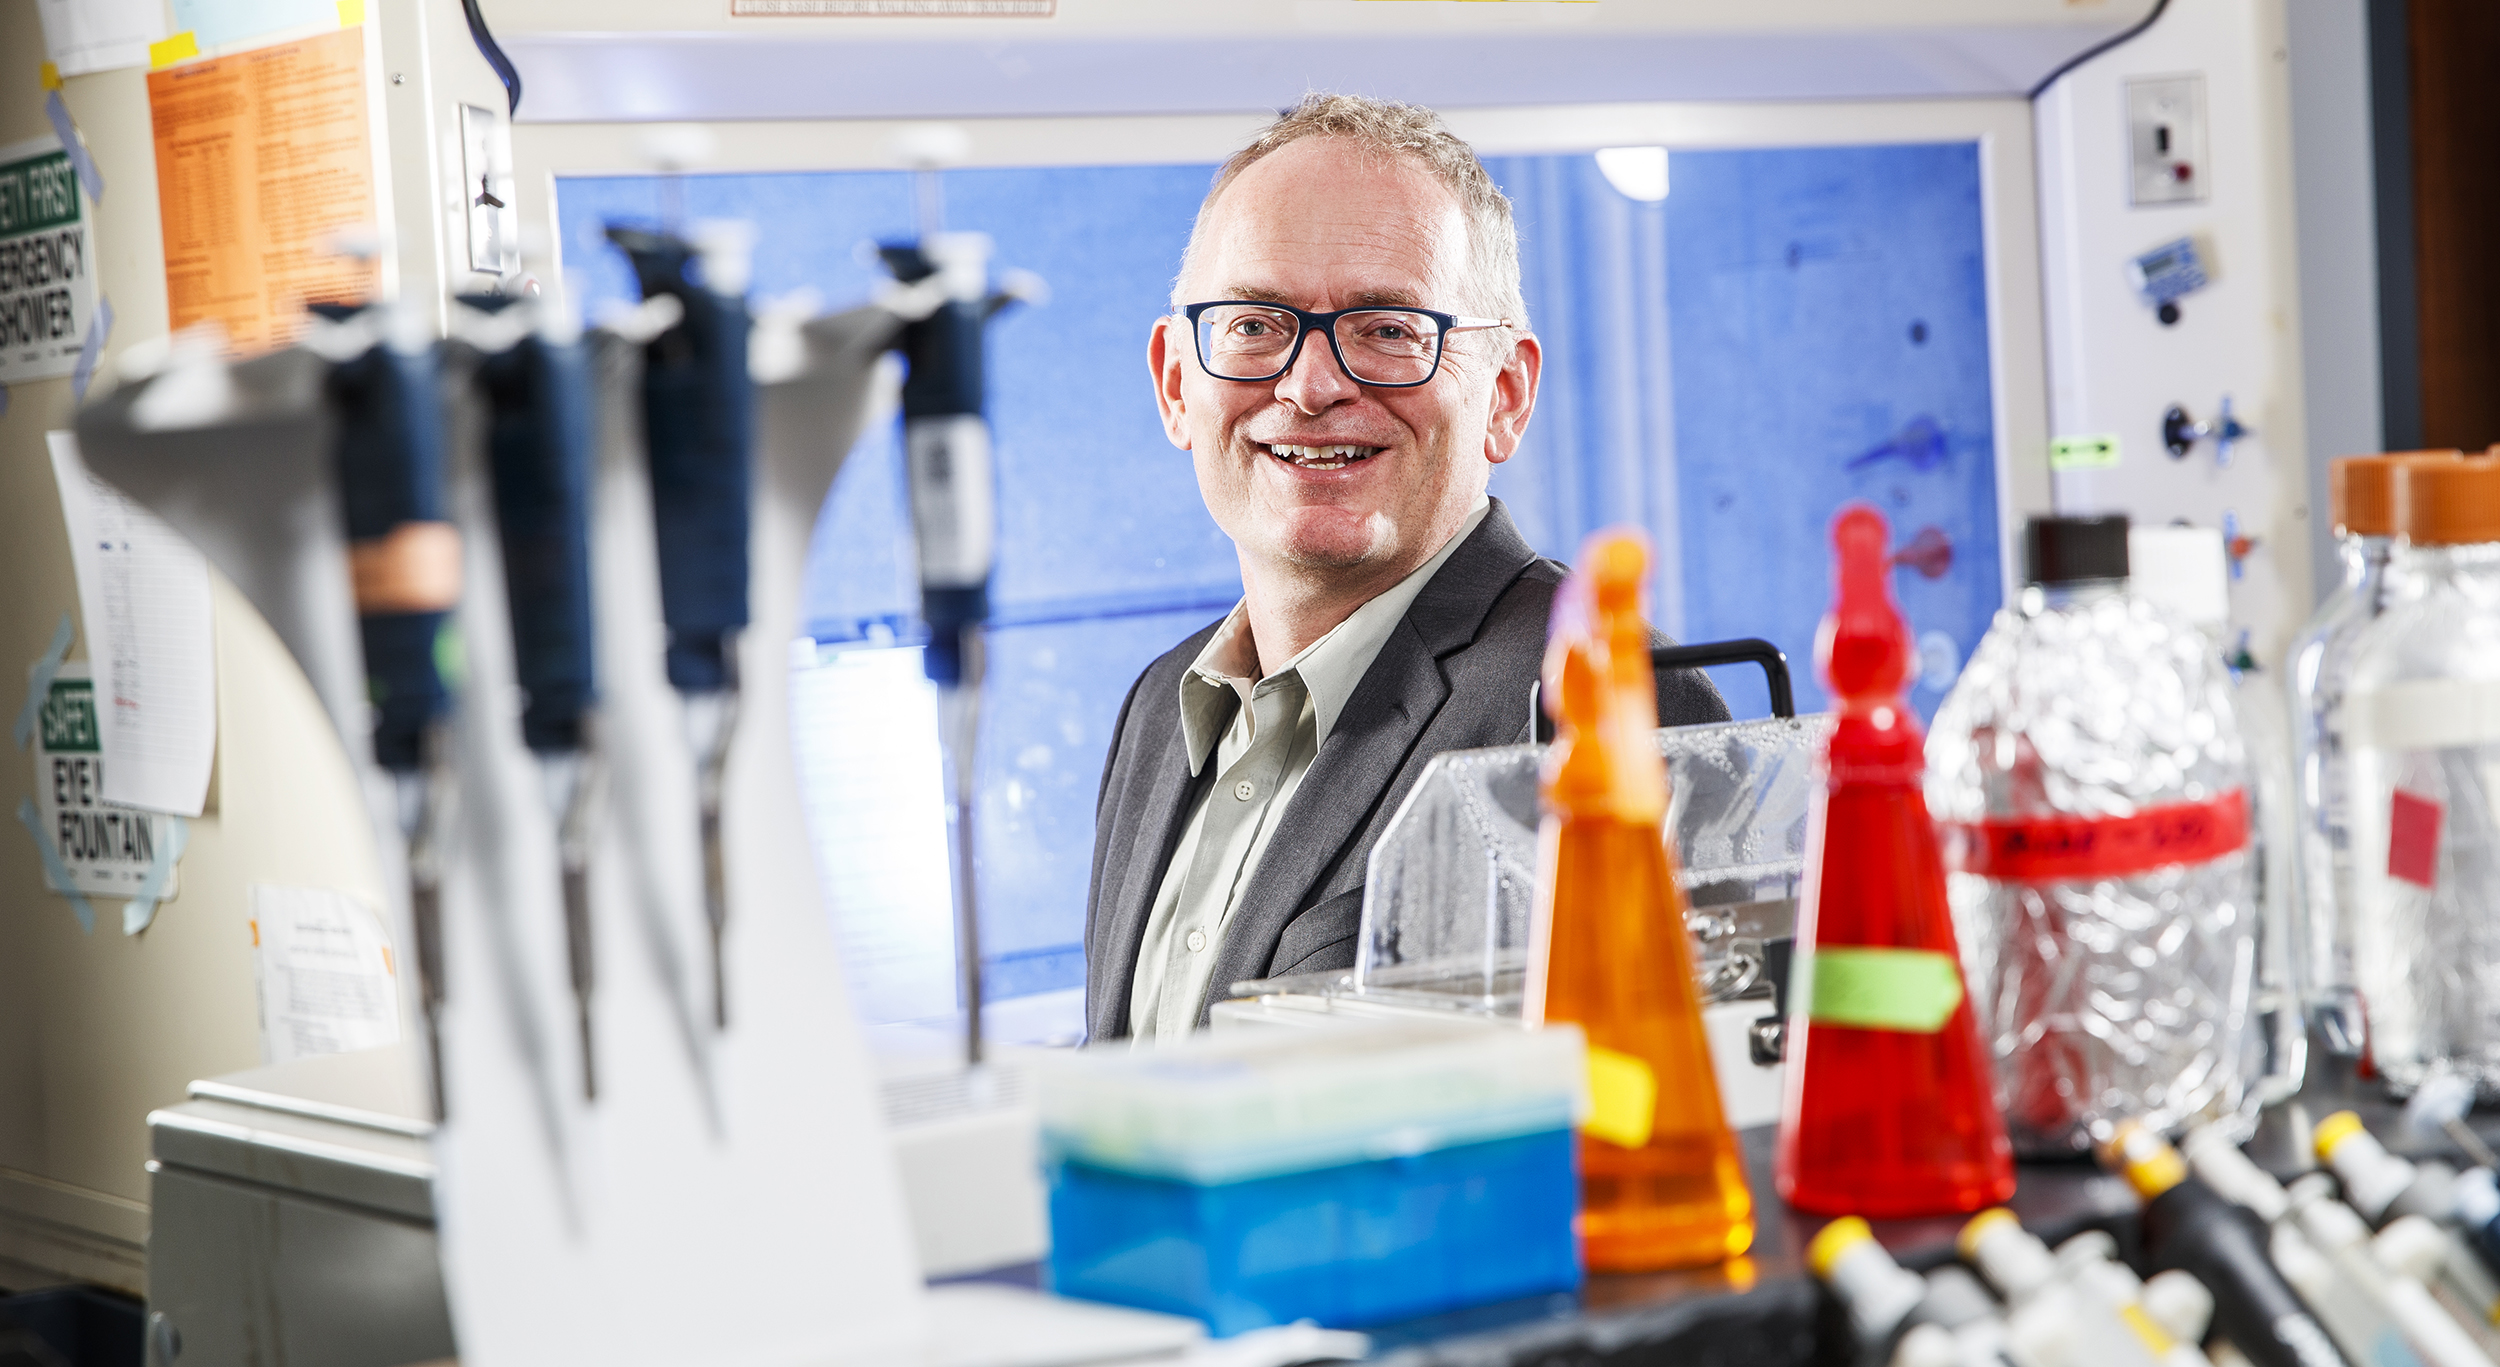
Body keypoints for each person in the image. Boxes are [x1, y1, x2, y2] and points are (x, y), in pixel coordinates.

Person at [1085, 94, 1729, 1044]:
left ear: (1504, 396)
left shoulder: (1605, 710)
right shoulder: (1156, 709)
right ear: (1179, 383)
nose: (1309, 386)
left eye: (1388, 329)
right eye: (1255, 324)